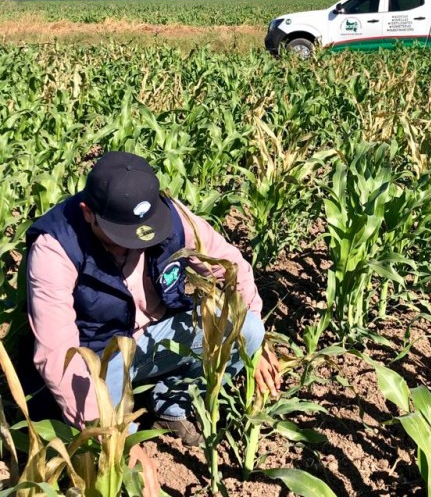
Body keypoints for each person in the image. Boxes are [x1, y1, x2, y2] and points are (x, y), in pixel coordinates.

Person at [25, 151, 280, 447]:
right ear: (87, 212)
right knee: (108, 451)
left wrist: (256, 347)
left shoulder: (172, 217)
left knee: (246, 329)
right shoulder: (55, 248)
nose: (135, 246)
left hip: (156, 339)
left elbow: (231, 268)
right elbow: (58, 357)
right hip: (100, 361)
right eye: (122, 236)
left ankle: (171, 407)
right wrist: (119, 442)